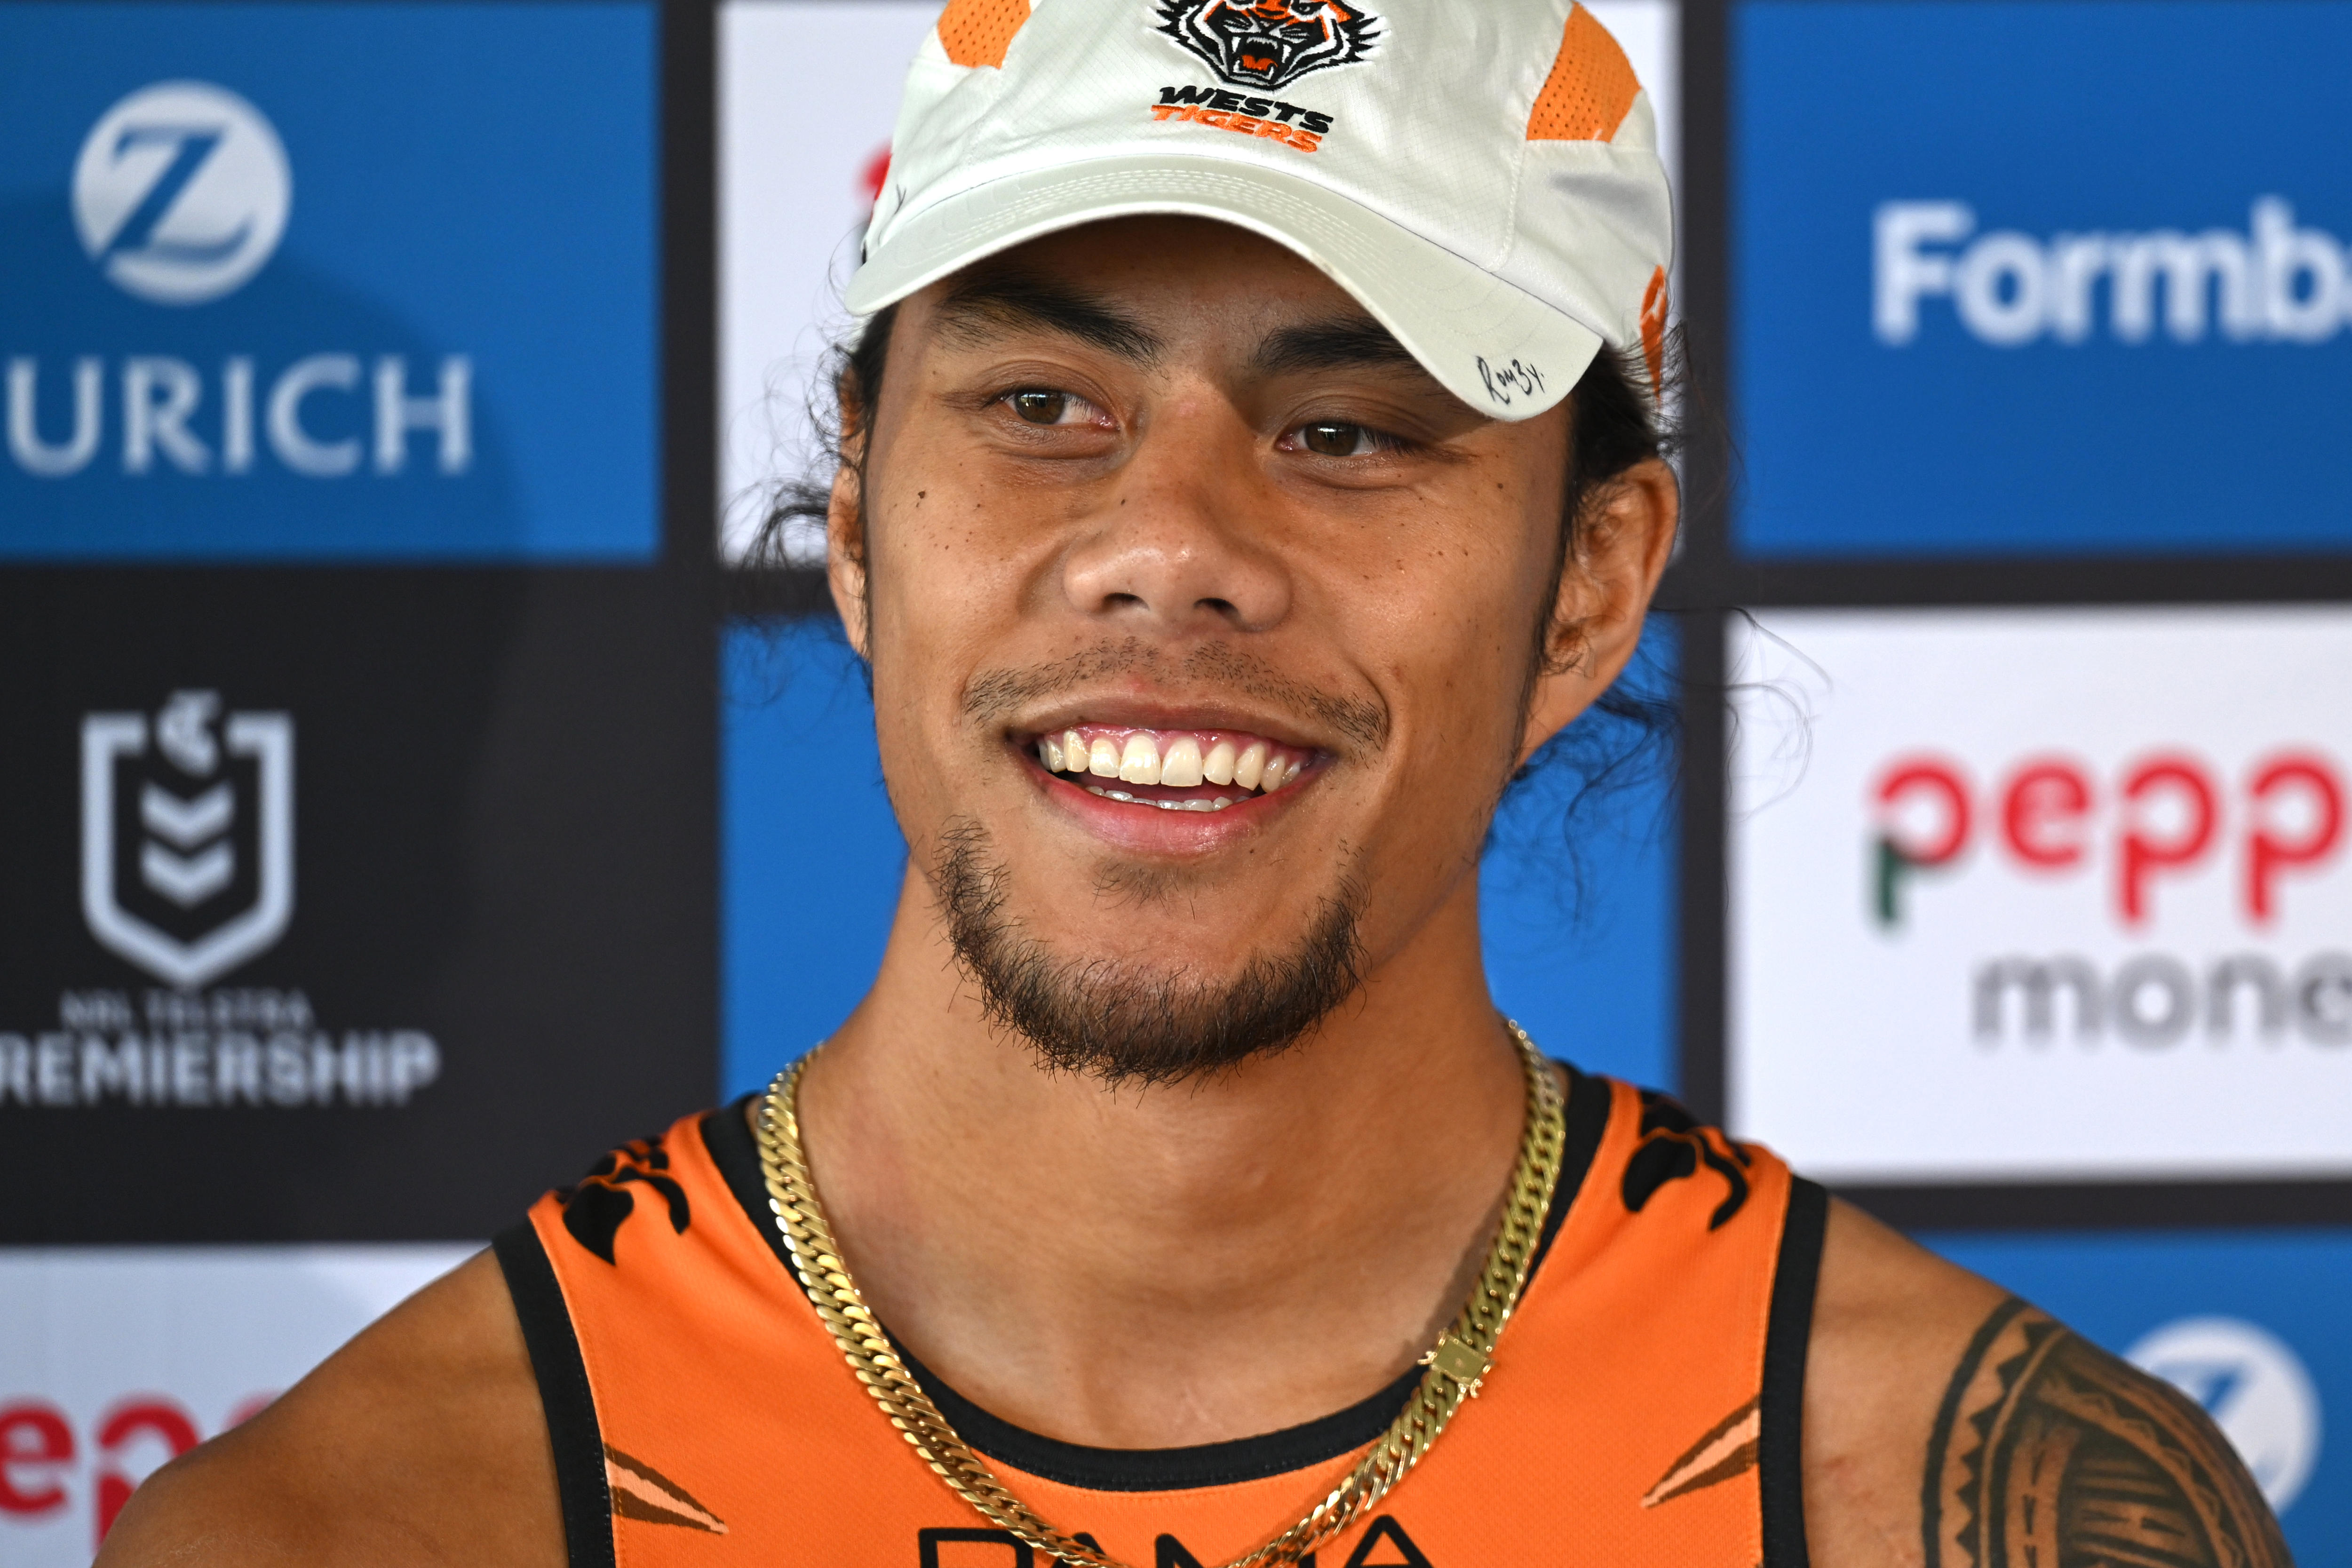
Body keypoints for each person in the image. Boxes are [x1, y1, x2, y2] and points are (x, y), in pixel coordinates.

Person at [103, 2, 2290, 1565]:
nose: (1169, 541)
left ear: (1584, 589)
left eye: (1347, 431)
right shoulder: (355, 1530)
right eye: (1045, 399)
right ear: (858, 525)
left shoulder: (1962, 1505)